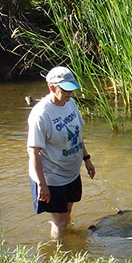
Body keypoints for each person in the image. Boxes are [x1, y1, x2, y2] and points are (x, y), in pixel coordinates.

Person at [27, 66, 95, 240]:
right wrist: (42, 184)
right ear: (52, 88)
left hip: (71, 173)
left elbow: (77, 134)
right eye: (65, 89)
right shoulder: (40, 115)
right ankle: (59, 254)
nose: (70, 93)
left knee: (67, 212)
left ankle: (65, 236)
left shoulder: (70, 103)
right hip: (52, 178)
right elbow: (33, 152)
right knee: (61, 220)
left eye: (72, 88)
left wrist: (86, 159)